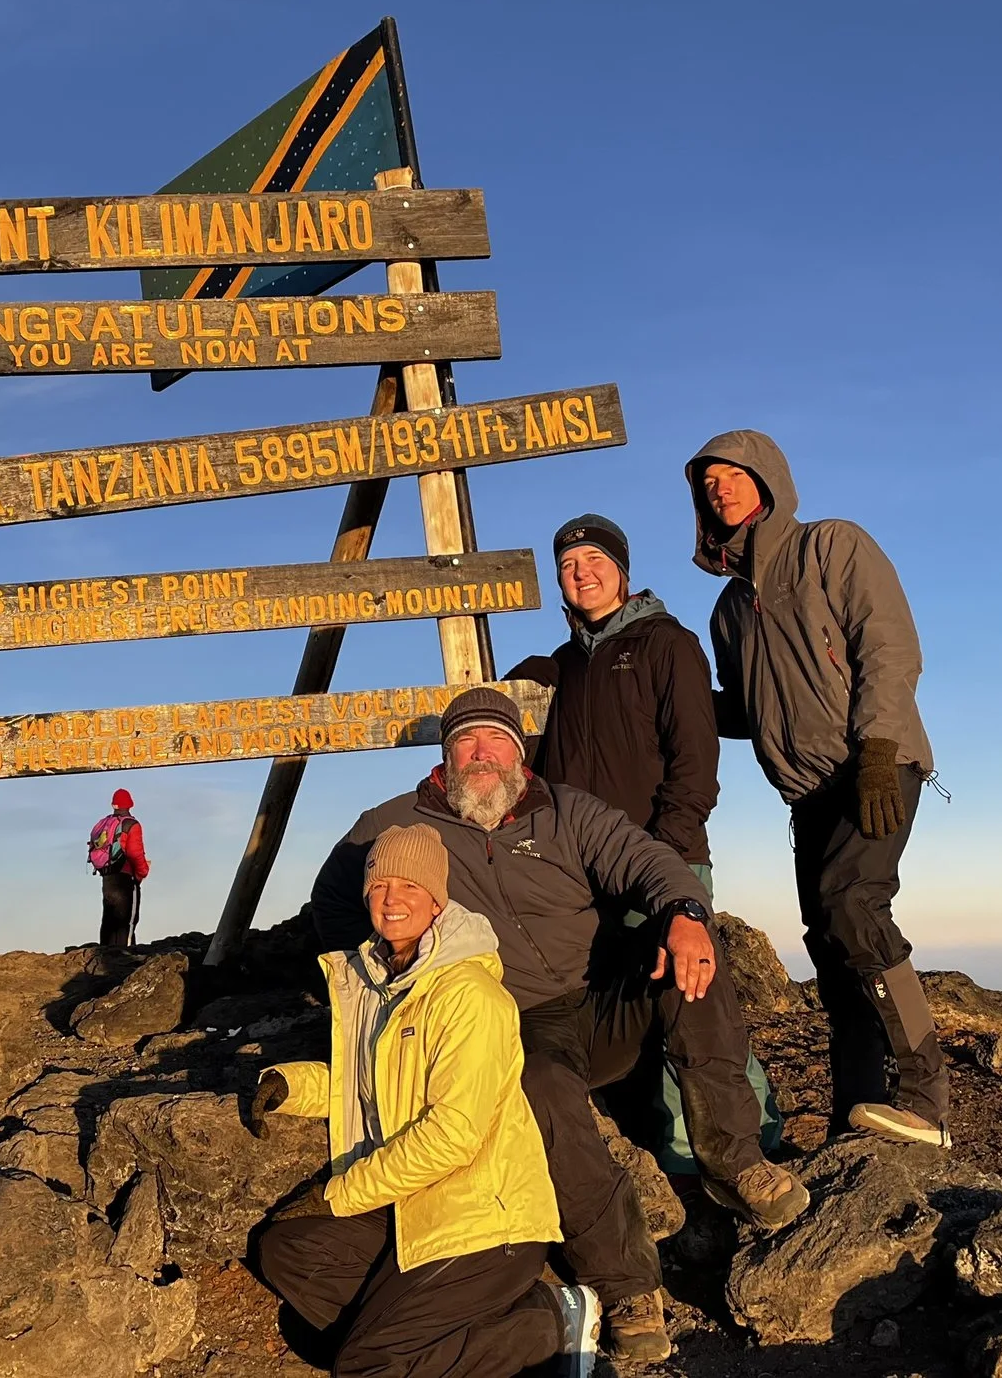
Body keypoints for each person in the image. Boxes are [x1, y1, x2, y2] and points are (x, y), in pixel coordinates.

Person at [302, 686, 730, 1363]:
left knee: (694, 954)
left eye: (495, 740)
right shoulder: (398, 822)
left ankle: (736, 1157)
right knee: (541, 1089)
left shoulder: (566, 809)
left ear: (519, 753)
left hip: (600, 995)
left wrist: (686, 912)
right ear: (446, 759)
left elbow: (645, 858)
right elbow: (332, 896)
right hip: (523, 1019)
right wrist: (383, 968)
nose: (482, 754)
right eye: (465, 742)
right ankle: (625, 1285)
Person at [504, 515, 801, 1228]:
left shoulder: (667, 643)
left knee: (692, 994)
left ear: (622, 569)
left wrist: (663, 854)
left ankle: (744, 1148)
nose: (581, 573)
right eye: (568, 564)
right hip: (583, 875)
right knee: (635, 1006)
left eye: (593, 560)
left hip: (662, 859)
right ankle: (677, 1151)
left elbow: (695, 761)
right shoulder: (564, 667)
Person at [248, 824, 599, 1378]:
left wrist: (338, 1194)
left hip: (482, 1218)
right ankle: (450, 1332)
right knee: (285, 1249)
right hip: (410, 1203)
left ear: (437, 899)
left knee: (365, 1365)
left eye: (409, 886)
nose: (392, 899)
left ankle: (545, 1323)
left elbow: (452, 1136)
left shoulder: (469, 994)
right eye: (379, 885)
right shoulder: (376, 980)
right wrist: (290, 1086)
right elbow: (368, 1083)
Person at [686, 429, 951, 1148]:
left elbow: (889, 646)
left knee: (854, 907)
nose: (720, 488)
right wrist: (673, 703)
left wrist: (879, 750)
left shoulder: (830, 545)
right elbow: (746, 710)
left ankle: (925, 1097)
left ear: (767, 479)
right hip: (807, 793)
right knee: (832, 950)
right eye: (707, 483)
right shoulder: (728, 610)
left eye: (732, 474)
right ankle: (857, 1112)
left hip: (873, 765)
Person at [89, 788, 150, 947]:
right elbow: (135, 854)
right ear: (130, 804)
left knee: (109, 919)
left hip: (107, 876)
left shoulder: (103, 824)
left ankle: (105, 953)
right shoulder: (131, 825)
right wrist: (142, 873)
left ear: (113, 804)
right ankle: (125, 953)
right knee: (127, 921)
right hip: (126, 878)